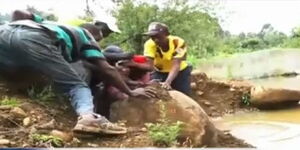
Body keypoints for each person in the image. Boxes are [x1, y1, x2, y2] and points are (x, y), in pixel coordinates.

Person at [0, 10, 155, 135]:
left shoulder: (50, 24)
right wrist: (131, 92)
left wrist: (15, 32)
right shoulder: (85, 36)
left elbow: (17, 13)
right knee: (76, 85)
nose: (98, 43)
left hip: (3, 32)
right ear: (92, 34)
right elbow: (107, 70)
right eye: (99, 39)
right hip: (36, 39)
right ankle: (88, 117)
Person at [142, 22, 192, 95]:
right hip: (159, 72)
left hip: (180, 72)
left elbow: (176, 64)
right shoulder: (149, 44)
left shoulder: (178, 42)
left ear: (166, 34)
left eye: (158, 36)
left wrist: (167, 82)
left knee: (184, 94)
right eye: (152, 37)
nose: (155, 40)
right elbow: (149, 65)